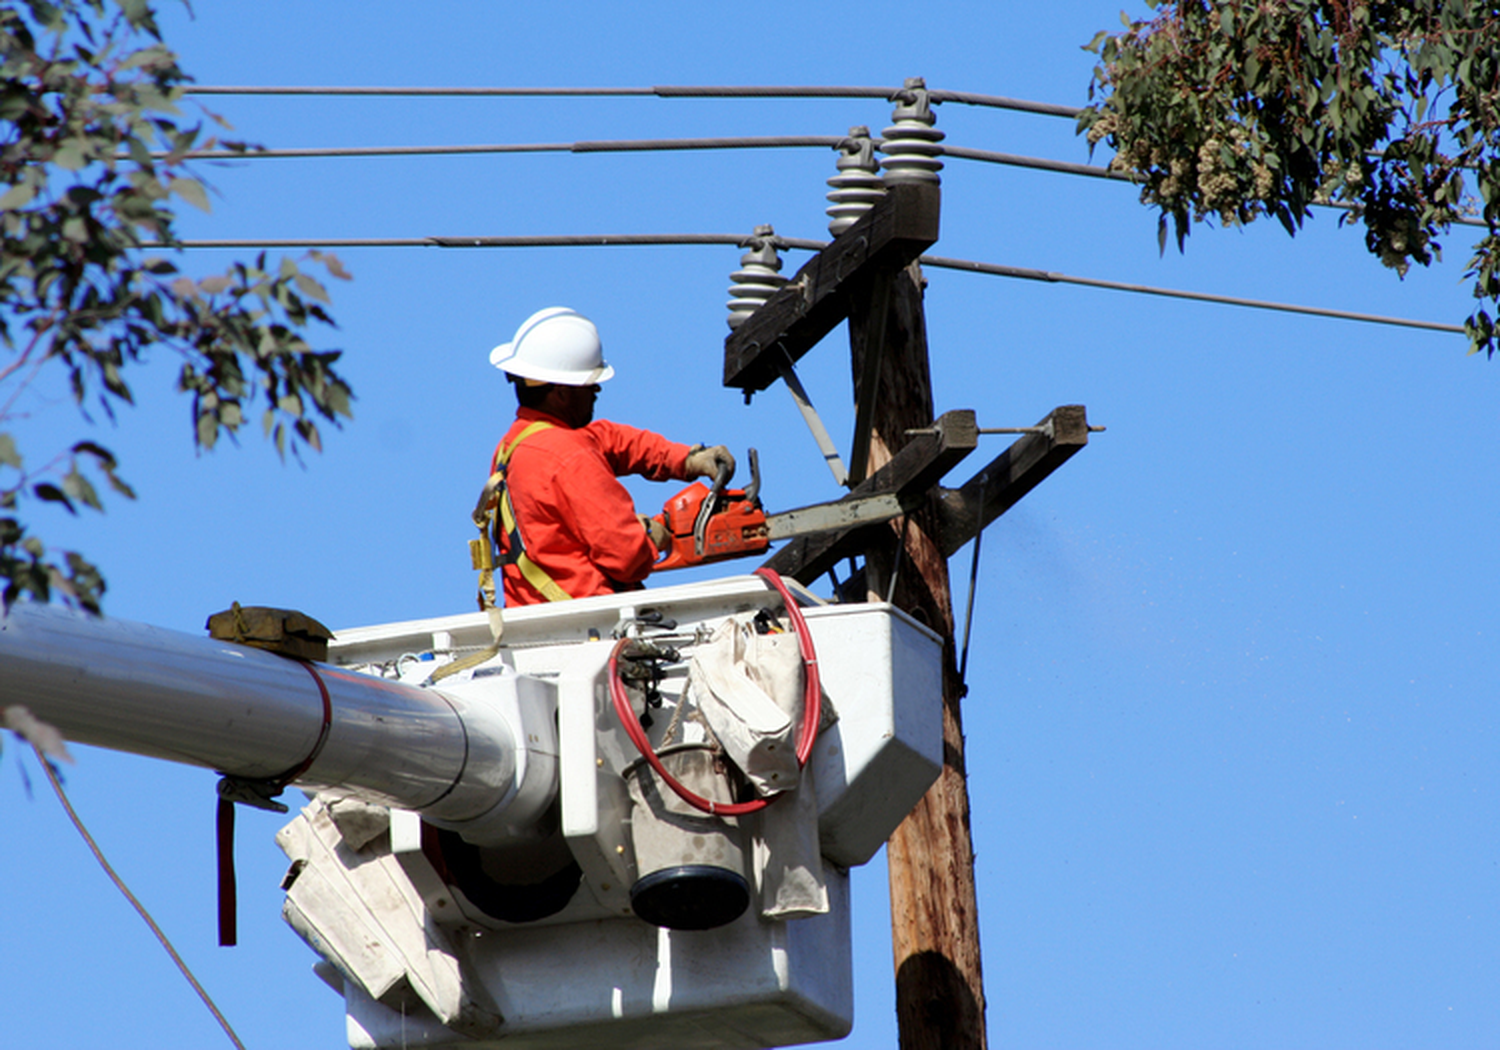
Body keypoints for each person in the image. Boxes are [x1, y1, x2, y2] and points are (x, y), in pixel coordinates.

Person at [486, 307, 735, 606]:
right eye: (589, 384)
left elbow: (611, 440)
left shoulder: (516, 446)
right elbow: (627, 557)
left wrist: (685, 458)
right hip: (588, 628)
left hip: (537, 624)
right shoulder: (569, 456)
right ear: (562, 393)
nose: (597, 390)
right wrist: (648, 537)